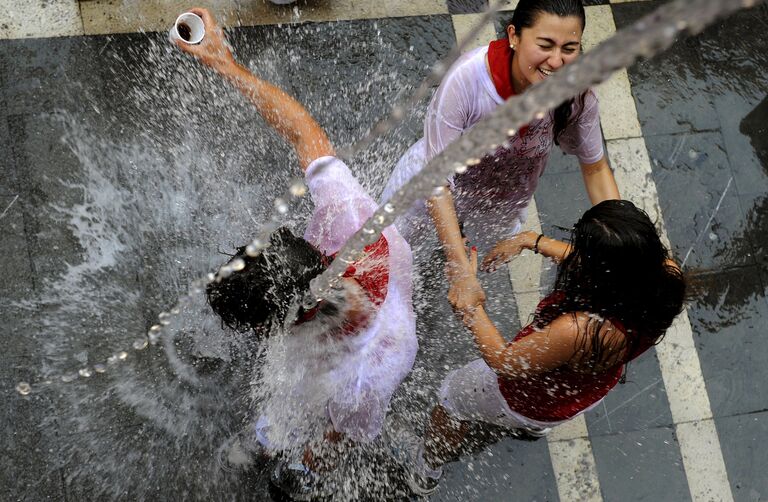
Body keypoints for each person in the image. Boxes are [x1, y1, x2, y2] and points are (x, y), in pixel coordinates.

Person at [173, 8, 417, 497]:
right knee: (290, 399)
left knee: (309, 422)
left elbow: (341, 435)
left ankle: (286, 461)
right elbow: (303, 129)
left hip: (365, 354)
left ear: (272, 327)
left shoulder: (367, 374)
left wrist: (308, 462)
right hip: (364, 300)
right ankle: (269, 438)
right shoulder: (345, 213)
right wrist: (225, 63)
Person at [403, 200, 685, 494]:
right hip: (583, 392)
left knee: (453, 401)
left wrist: (468, 303)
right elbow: (608, 266)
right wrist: (531, 241)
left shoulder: (579, 330)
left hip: (524, 395)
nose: (576, 254)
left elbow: (505, 362)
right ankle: (533, 427)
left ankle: (427, 467)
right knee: (541, 413)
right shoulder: (665, 277)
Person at [381, 0, 620, 310]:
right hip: (428, 189)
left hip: (499, 207)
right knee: (385, 260)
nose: (557, 62)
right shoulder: (467, 80)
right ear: (514, 36)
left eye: (569, 48)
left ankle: (446, 257)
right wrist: (459, 268)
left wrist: (623, 236)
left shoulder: (579, 93)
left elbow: (596, 169)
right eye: (545, 45)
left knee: (473, 269)